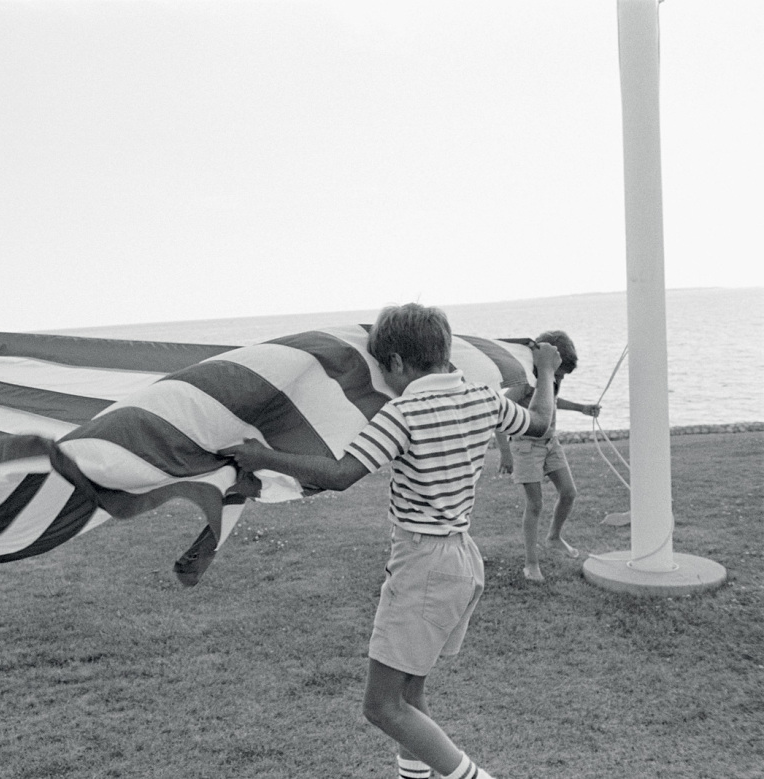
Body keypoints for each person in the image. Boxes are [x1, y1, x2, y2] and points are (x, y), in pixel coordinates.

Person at [220, 303, 561, 779]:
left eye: (383, 369)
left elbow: (341, 475)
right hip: (459, 559)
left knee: (381, 707)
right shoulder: (483, 398)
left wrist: (263, 456)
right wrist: (545, 372)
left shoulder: (403, 412)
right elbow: (542, 421)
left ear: (398, 363)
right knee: (409, 696)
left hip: (424, 563)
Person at [493, 330, 600, 582]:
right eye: (558, 372)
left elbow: (552, 399)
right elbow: (499, 415)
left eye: (561, 375)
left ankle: (554, 538)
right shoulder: (525, 380)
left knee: (569, 492)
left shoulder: (551, 377)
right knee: (535, 504)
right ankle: (531, 564)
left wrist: (581, 408)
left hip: (550, 442)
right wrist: (505, 453)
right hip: (525, 446)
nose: (559, 378)